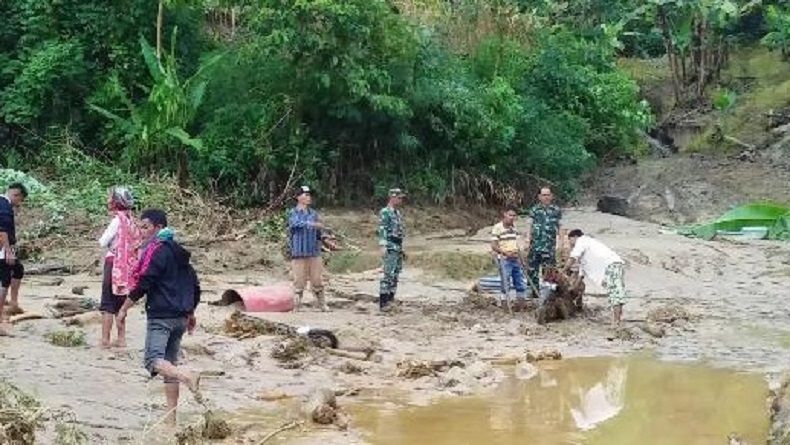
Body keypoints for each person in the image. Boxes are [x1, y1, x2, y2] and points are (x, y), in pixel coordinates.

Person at [116, 209, 201, 425]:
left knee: (153, 360)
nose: (142, 232)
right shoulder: (181, 254)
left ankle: (187, 375)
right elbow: (194, 285)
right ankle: (170, 420)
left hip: (162, 315)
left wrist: (125, 308)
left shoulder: (157, 252)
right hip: (181, 317)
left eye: (145, 227)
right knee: (168, 365)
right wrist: (190, 312)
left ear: (159, 228)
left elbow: (145, 282)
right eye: (141, 227)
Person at [98, 187, 139, 348]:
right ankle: (121, 339)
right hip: (127, 267)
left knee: (108, 302)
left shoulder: (117, 221)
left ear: (115, 203)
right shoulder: (131, 221)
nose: (108, 201)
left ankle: (105, 340)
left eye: (110, 199)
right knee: (121, 302)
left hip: (114, 263)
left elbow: (102, 241)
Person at [564, 229, 627, 326]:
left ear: (575, 237)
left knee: (615, 294)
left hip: (611, 265)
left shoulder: (582, 241)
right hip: (611, 267)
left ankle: (616, 323)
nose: (570, 244)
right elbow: (581, 274)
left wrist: (562, 271)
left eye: (570, 240)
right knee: (614, 294)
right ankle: (616, 320)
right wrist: (573, 288)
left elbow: (573, 258)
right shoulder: (585, 252)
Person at [287, 186, 329, 311]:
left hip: (314, 252)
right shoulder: (293, 213)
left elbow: (318, 234)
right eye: (306, 194)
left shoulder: (314, 214)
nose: (309, 197)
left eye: (309, 195)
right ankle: (296, 305)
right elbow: (294, 225)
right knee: (299, 281)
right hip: (299, 252)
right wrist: (310, 224)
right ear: (298, 197)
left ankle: (322, 304)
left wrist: (325, 239)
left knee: (317, 280)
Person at [524, 187, 564, 297]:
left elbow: (560, 227)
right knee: (532, 270)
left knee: (549, 271)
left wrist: (561, 242)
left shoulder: (556, 210)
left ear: (551, 196)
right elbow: (529, 225)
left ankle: (548, 293)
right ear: (539, 197)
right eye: (543, 195)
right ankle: (533, 292)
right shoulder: (535, 210)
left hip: (549, 246)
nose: (546, 197)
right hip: (535, 246)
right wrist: (527, 240)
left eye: (548, 195)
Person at [0, 182, 28, 324]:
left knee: (18, 269)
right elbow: (2, 230)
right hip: (3, 247)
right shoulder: (4, 206)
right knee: (4, 279)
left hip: (6, 246)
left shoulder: (4, 203)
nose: (20, 203)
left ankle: (13, 303)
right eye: (20, 200)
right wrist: (8, 251)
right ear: (17, 195)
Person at [490, 207, 527, 310]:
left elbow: (516, 245)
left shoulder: (513, 229)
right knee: (505, 281)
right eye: (510, 215)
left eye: (514, 216)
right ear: (505, 214)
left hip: (515, 258)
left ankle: (521, 304)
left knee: (519, 280)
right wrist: (505, 253)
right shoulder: (497, 228)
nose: (512, 218)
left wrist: (521, 258)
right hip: (504, 259)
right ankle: (505, 304)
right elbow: (493, 245)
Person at [378, 188, 406, 312]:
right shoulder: (385, 212)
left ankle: (391, 299)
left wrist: (402, 249)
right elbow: (382, 229)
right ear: (392, 197)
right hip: (390, 245)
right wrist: (383, 245)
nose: (401, 200)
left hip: (398, 246)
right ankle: (383, 302)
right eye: (399, 198)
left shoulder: (397, 213)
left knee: (395, 274)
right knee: (388, 274)